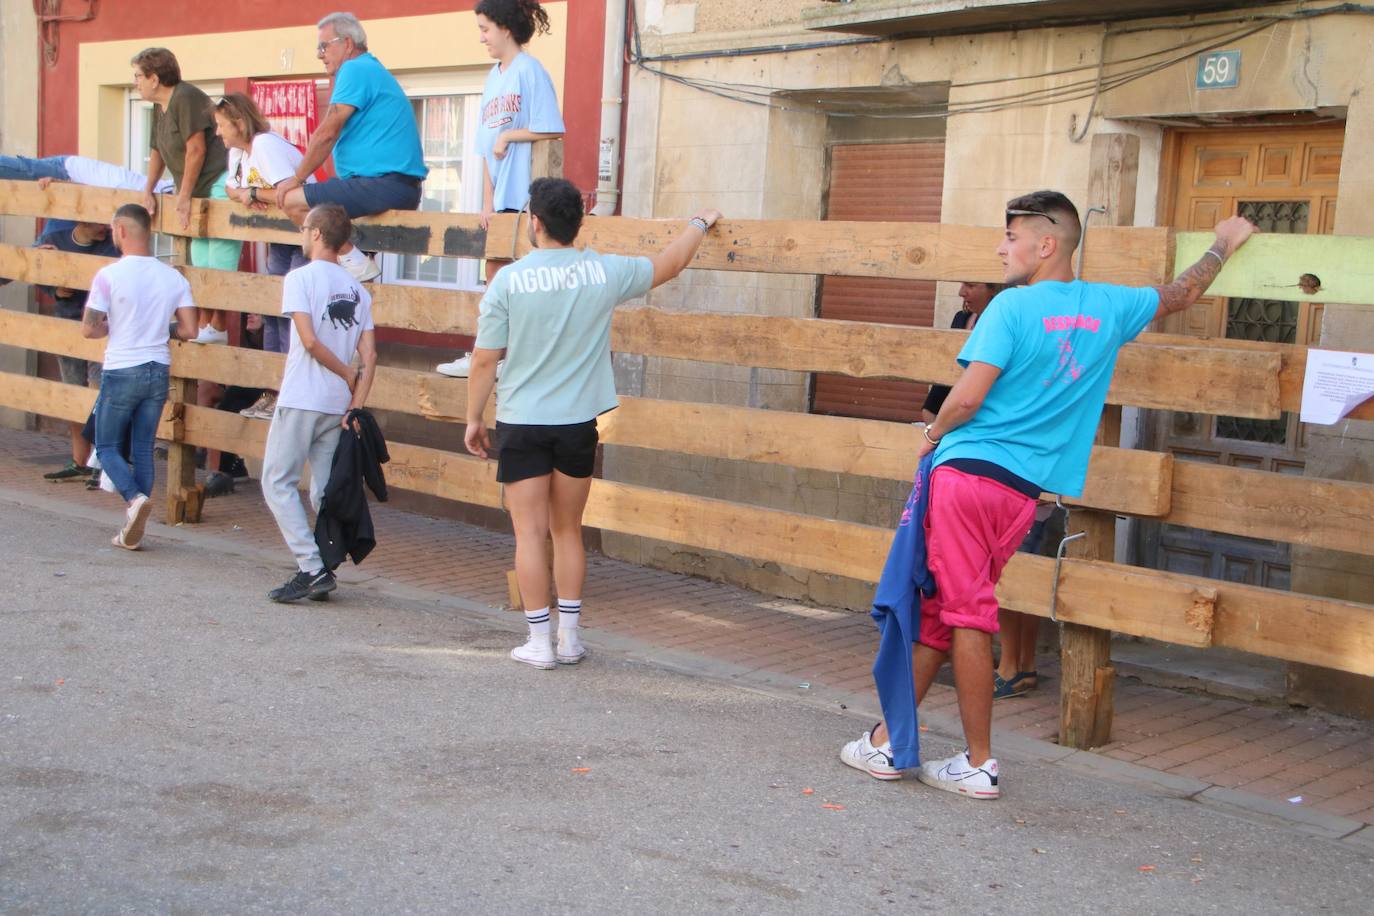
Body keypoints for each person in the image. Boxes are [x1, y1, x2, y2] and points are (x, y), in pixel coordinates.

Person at [840, 190, 1257, 798]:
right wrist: (1223, 243)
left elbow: (967, 397)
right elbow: (1184, 293)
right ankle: (886, 742)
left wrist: (930, 435)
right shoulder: (1111, 306)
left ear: (1046, 244)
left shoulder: (1011, 309)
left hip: (966, 476)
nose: (1000, 248)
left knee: (967, 613)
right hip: (1020, 494)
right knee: (942, 608)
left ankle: (979, 761)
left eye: (1010, 238)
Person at [464, 177, 722, 669]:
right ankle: (570, 638)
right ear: (577, 224)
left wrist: (473, 418)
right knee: (567, 531)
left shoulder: (509, 280)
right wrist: (697, 223)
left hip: (522, 421)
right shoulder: (601, 271)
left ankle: (537, 643)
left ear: (535, 224)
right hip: (578, 421)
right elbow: (669, 264)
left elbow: (483, 360)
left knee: (528, 533)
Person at [436, 0, 565, 380]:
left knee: (517, 282)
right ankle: (486, 356)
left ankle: (502, 357)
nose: (481, 37)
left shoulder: (530, 71)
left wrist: (510, 134)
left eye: (485, 28)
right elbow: (483, 147)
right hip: (502, 199)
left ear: (505, 28)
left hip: (526, 198)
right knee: (495, 280)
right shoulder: (494, 76)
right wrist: (487, 202)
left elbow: (552, 127)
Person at [260, 204, 377, 604]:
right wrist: (356, 404)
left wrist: (346, 373)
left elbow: (308, 341)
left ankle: (312, 567)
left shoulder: (300, 278)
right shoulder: (358, 290)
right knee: (324, 489)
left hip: (302, 395)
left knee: (277, 481)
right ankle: (325, 560)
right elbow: (372, 356)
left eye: (303, 228)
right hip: (336, 405)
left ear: (314, 233)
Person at [273, 12, 427, 281]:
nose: (320, 54)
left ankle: (352, 260)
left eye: (323, 46)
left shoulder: (355, 69)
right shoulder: (369, 69)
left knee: (291, 200)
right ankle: (354, 263)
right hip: (391, 185)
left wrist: (296, 179)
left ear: (347, 43)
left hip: (383, 185)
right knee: (330, 225)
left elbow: (327, 132)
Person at [81, 204, 198, 550]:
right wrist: (160, 327)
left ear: (120, 230)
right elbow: (190, 329)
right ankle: (135, 525)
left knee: (106, 446)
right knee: (143, 447)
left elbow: (89, 329)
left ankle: (134, 500)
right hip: (158, 367)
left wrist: (110, 325)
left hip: (122, 367)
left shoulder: (108, 275)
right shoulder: (174, 277)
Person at [214, 92, 318, 420]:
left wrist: (256, 193)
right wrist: (245, 194)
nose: (218, 132)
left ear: (239, 123)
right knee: (273, 310)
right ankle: (273, 390)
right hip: (279, 235)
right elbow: (231, 188)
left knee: (292, 310)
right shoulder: (239, 153)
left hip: (303, 231)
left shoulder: (264, 146)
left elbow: (292, 193)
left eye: (221, 125)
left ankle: (291, 392)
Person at [131, 47, 242, 344]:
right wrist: (149, 189)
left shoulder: (185, 97)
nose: (136, 83)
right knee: (200, 258)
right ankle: (207, 325)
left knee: (218, 257)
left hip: (216, 181)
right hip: (195, 187)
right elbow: (157, 151)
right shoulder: (161, 106)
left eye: (139, 76)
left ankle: (218, 326)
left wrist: (183, 196)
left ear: (155, 78)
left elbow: (196, 149)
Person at [36, 222, 119, 480]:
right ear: (81, 220)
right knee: (73, 395)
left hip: (100, 328)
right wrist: (55, 289)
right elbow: (36, 269)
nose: (106, 228)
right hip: (67, 325)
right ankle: (79, 461)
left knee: (98, 393)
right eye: (99, 223)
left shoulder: (112, 246)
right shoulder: (54, 237)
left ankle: (100, 463)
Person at [921, 281, 1002, 424]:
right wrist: (930, 409)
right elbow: (948, 368)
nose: (961, 292)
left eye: (970, 285)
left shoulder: (1003, 326)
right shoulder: (961, 319)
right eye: (962, 284)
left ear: (994, 289)